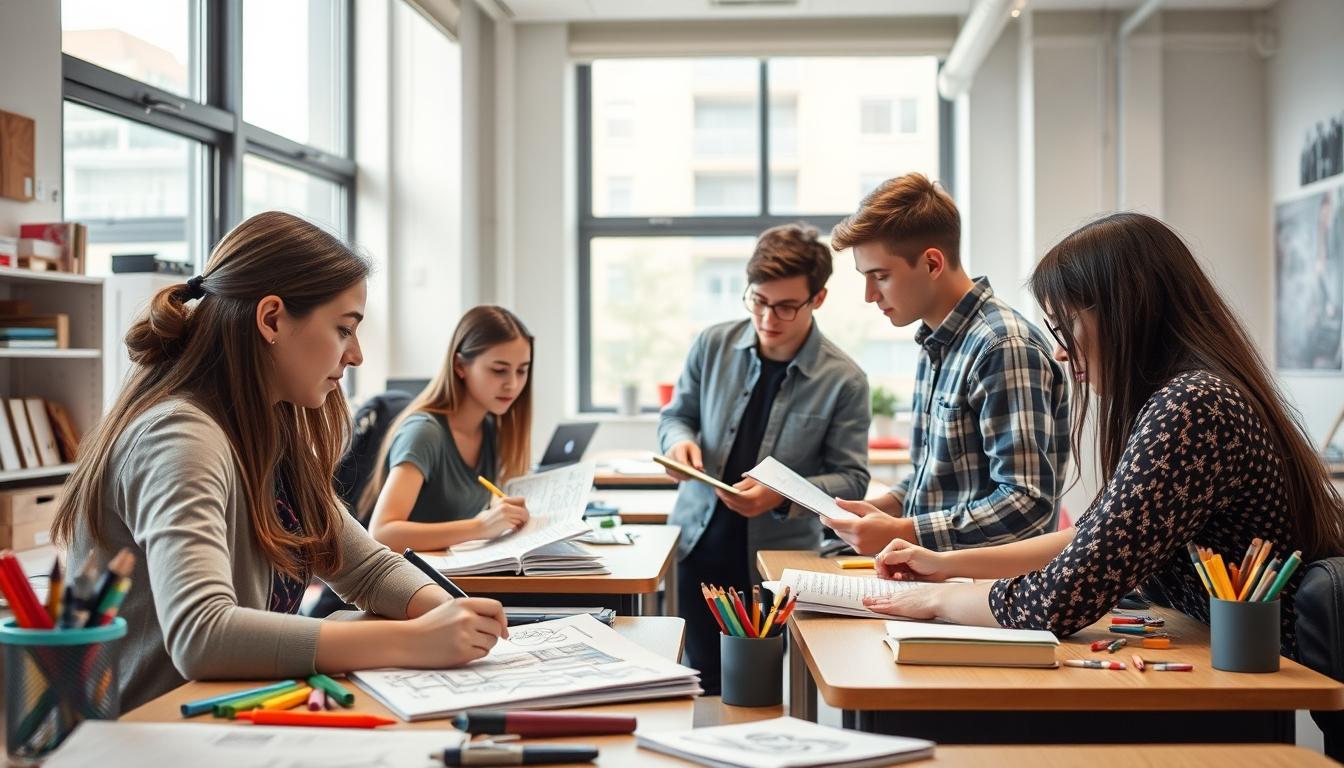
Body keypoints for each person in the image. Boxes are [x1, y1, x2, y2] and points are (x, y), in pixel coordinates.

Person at [53, 212, 508, 712]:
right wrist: (415, 640)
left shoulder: (270, 429)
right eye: (343, 329)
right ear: (271, 319)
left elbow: (369, 568)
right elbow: (202, 634)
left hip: (229, 714)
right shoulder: (180, 436)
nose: (355, 355)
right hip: (153, 733)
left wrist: (453, 619)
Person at [860, 212, 1344, 654]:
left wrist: (937, 601)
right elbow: (1089, 538)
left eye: (1064, 325)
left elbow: (1058, 601)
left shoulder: (1195, 406)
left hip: (1252, 673)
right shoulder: (1184, 396)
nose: (1061, 353)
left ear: (1124, 310)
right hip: (1210, 648)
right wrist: (942, 564)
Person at [659, 222, 870, 694]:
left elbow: (853, 479)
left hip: (778, 562)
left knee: (765, 688)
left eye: (786, 306)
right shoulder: (711, 345)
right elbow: (676, 416)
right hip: (698, 547)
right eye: (758, 301)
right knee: (704, 683)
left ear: (818, 299)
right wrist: (678, 443)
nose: (768, 319)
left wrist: (780, 496)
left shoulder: (845, 380)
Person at [823, 173, 1071, 555]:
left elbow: (1026, 504)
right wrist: (881, 511)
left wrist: (905, 531)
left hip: (986, 595)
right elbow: (937, 480)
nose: (870, 295)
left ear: (932, 263)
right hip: (937, 582)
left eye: (881, 277)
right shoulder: (935, 342)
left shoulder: (1003, 347)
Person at [362, 306, 533, 552]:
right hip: (407, 582)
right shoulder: (425, 433)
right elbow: (382, 533)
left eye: (522, 370)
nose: (513, 384)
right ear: (460, 366)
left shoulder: (490, 430)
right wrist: (480, 527)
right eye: (499, 370)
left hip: (452, 574)